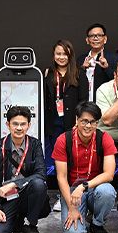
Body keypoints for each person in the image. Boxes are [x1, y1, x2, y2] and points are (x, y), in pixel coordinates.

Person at [51, 102, 118, 233]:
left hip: (94, 187)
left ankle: (96, 224)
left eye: (92, 122)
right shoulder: (64, 140)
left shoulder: (104, 138)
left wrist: (83, 186)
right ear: (77, 120)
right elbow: (61, 177)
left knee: (107, 191)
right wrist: (72, 208)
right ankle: (83, 214)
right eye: (84, 121)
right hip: (71, 190)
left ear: (97, 123)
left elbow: (109, 174)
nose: (88, 126)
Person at [0, 107, 49, 233]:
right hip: (5, 199)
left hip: (26, 195)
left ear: (29, 125)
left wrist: (14, 184)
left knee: (38, 184)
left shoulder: (35, 144)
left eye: (23, 124)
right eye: (15, 124)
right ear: (8, 124)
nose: (19, 128)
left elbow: (41, 174)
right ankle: (17, 221)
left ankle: (31, 225)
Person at [44, 39, 81, 174]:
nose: (61, 57)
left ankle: (72, 185)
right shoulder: (47, 74)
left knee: (72, 158)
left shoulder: (79, 73)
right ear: (53, 55)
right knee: (57, 158)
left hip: (73, 123)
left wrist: (79, 121)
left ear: (70, 56)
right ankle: (59, 185)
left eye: (65, 54)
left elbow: (83, 100)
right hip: (54, 123)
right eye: (58, 54)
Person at [76, 23, 114, 104]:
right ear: (87, 40)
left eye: (99, 35)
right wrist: (82, 69)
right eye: (92, 36)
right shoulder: (80, 59)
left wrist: (106, 68)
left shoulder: (114, 58)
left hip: (104, 105)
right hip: (84, 105)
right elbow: (73, 83)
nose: (95, 38)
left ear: (105, 39)